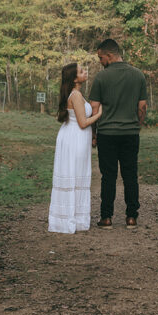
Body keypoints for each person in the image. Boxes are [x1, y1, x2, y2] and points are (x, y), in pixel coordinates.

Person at [89, 38, 148, 228]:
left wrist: (94, 133)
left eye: (101, 57)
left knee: (109, 176)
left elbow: (94, 107)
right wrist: (137, 125)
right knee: (130, 174)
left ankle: (106, 217)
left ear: (109, 55)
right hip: (130, 133)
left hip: (107, 133)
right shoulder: (138, 75)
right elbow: (142, 106)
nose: (100, 61)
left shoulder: (101, 78)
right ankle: (131, 217)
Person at [48, 62, 102, 234]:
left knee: (77, 175)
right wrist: (100, 114)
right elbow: (82, 122)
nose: (85, 72)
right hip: (74, 138)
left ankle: (76, 218)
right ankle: (67, 219)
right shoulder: (76, 96)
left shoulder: (77, 94)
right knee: (73, 174)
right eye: (81, 71)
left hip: (76, 138)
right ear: (74, 78)